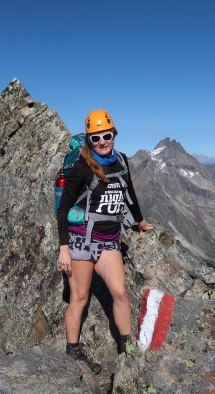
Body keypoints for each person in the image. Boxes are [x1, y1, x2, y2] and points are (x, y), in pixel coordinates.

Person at [57, 110, 153, 374]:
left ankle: (126, 348)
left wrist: (140, 222)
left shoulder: (121, 160)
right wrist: (64, 249)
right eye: (96, 137)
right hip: (82, 241)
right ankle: (73, 351)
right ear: (89, 139)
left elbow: (128, 193)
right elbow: (63, 209)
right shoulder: (81, 168)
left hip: (110, 240)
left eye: (106, 135)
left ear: (114, 135)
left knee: (120, 293)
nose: (102, 141)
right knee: (80, 298)